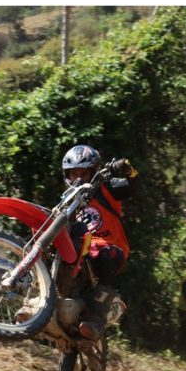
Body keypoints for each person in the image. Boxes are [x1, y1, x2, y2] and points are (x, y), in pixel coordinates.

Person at [61, 144, 139, 341]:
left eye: (84, 174)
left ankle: (97, 319)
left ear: (94, 171)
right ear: (67, 175)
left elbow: (133, 184)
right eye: (74, 174)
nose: (79, 179)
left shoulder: (108, 188)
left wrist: (127, 169)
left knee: (106, 255)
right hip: (82, 249)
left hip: (109, 245)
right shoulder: (68, 199)